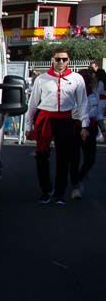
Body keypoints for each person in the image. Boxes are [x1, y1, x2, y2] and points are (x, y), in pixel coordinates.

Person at [25, 48, 88, 205]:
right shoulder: (42, 79)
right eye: (58, 59)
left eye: (64, 59)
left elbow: (83, 103)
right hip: (46, 118)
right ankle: (46, 190)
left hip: (66, 120)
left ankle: (60, 193)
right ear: (52, 60)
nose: (61, 62)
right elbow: (33, 103)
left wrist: (84, 125)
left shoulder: (77, 79)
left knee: (64, 159)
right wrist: (28, 125)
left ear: (69, 60)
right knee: (41, 156)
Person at [77, 68, 100, 193]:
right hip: (79, 127)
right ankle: (76, 183)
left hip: (92, 128)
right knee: (75, 157)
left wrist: (103, 128)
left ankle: (80, 177)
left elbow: (98, 113)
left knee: (90, 158)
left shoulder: (94, 93)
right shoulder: (77, 94)